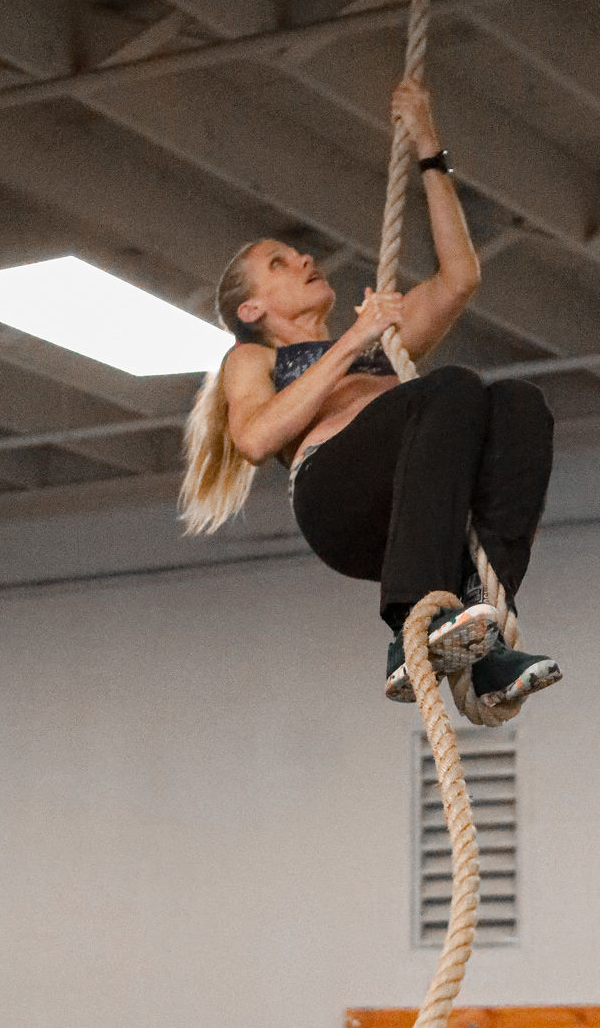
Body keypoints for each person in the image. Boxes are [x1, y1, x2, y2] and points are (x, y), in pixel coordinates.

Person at [179, 78, 558, 718]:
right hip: (339, 500)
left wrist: (430, 148)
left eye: (294, 254)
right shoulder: (255, 358)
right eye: (278, 264)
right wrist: (355, 339)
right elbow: (254, 438)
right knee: (456, 387)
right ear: (253, 309)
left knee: (522, 404)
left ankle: (484, 633)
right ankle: (409, 625)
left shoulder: (381, 343)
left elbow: (460, 276)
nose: (302, 258)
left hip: (411, 509)